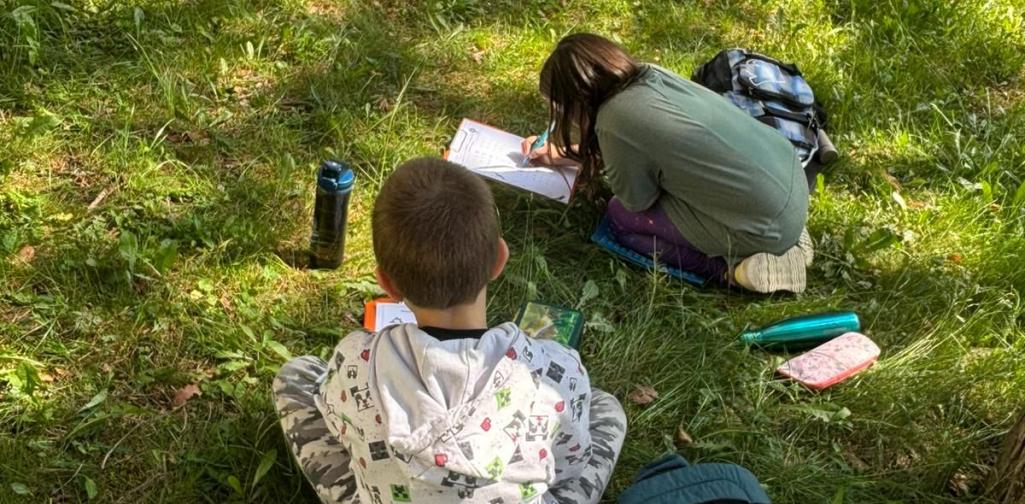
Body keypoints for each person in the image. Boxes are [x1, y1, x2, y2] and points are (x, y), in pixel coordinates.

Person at [273, 158, 627, 504]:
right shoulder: (557, 373)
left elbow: (337, 425)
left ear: (387, 285)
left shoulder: (355, 361)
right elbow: (569, 466)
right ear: (499, 260)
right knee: (606, 408)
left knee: (297, 374)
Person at [522, 33, 813, 293]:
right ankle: (793, 237)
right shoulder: (649, 74)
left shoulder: (613, 120)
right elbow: (646, 143)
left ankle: (732, 271)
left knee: (620, 218)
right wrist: (566, 152)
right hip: (791, 180)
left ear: (576, 101)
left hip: (764, 224)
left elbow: (637, 200)